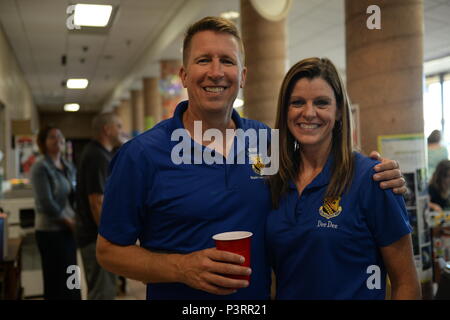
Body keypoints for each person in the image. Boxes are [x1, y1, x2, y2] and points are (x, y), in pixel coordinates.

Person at [96, 16, 406, 300]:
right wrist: (180, 267)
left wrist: (377, 171)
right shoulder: (141, 154)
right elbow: (108, 252)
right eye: (204, 60)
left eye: (227, 61)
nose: (215, 72)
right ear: (184, 75)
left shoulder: (267, 143)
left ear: (242, 76)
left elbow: (321, 157)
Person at [266, 57, 421, 299]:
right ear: (285, 111)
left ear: (338, 111)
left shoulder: (373, 179)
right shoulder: (274, 180)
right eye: (297, 102)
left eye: (321, 103)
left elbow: (406, 284)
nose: (308, 113)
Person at [75, 112, 123, 300]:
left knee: (105, 290)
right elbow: (96, 202)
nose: (122, 131)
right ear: (107, 129)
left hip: (94, 236)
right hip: (95, 238)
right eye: (118, 126)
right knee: (102, 293)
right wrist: (109, 238)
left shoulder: (101, 154)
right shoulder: (96, 156)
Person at [30, 126, 81, 300]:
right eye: (52, 137)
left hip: (69, 228)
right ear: (43, 142)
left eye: (60, 136)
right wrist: (68, 221)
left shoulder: (68, 165)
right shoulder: (40, 167)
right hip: (50, 231)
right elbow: (45, 202)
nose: (58, 140)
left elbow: (74, 196)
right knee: (56, 279)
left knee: (72, 273)